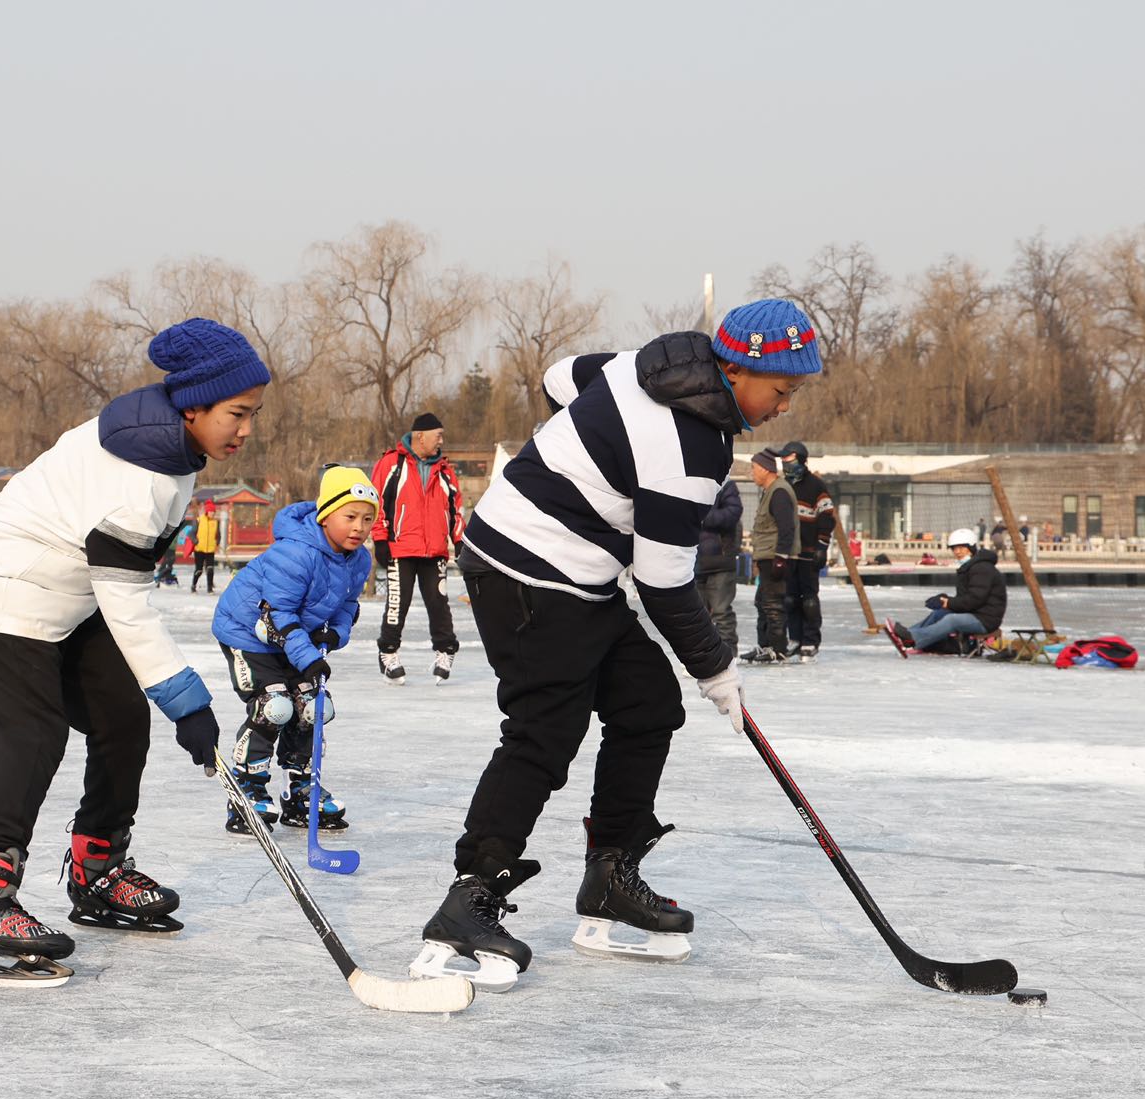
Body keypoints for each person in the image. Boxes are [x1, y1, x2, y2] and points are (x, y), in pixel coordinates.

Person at [415, 299, 821, 993]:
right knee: (544, 734)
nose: (784, 407)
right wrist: (718, 669)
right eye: (780, 390)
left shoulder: (643, 367)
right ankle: (470, 898)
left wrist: (585, 458)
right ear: (737, 368)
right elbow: (665, 583)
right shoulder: (692, 449)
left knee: (647, 704)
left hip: (579, 573)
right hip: (527, 571)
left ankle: (610, 874)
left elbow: (559, 376)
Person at [0, 317, 266, 986]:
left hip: (69, 594)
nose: (247, 429)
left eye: (252, 414)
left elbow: (120, 598)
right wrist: (189, 702)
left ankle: (97, 867)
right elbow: (130, 607)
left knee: (119, 716)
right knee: (34, 732)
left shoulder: (172, 450)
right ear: (194, 404)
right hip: (6, 588)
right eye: (238, 413)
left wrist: (170, 701)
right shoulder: (140, 478)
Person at [211, 466, 376, 836]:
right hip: (249, 633)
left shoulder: (360, 560)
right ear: (325, 515)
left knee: (314, 707)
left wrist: (335, 636)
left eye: (367, 519)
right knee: (275, 707)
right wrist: (310, 658)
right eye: (349, 517)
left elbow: (347, 606)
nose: (359, 527)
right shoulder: (297, 552)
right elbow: (279, 615)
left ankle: (302, 787)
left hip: (293, 637)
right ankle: (247, 786)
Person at [370, 411, 462, 684]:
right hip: (400, 547)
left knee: (439, 603)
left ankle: (446, 650)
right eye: (438, 435)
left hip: (434, 550)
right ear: (420, 436)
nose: (441, 441)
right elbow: (376, 503)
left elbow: (456, 509)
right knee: (398, 603)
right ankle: (388, 652)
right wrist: (380, 538)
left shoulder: (445, 471)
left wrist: (458, 540)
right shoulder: (392, 464)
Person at [886, 528, 1007, 654]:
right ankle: (907, 635)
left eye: (962, 548)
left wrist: (947, 602)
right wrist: (944, 599)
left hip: (986, 619)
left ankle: (913, 638)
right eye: (954, 548)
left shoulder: (982, 569)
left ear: (971, 548)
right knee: (939, 613)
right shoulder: (970, 567)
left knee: (952, 620)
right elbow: (966, 598)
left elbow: (974, 599)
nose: (957, 552)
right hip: (974, 613)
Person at [777, 441, 834, 661]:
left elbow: (827, 517)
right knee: (790, 598)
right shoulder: (783, 486)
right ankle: (795, 638)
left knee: (809, 599)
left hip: (809, 551)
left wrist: (822, 546)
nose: (786, 465)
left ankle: (811, 640)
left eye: (789, 461)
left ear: (801, 460)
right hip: (790, 552)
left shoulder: (816, 486)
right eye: (783, 462)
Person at [742, 449, 799, 664]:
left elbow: (786, 528)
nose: (752, 473)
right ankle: (765, 645)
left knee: (773, 604)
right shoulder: (771, 490)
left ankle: (778, 648)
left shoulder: (780, 492)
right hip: (768, 556)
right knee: (763, 602)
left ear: (766, 469)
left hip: (776, 557)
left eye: (754, 468)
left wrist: (780, 558)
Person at [696, 479, 743, 652]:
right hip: (692, 560)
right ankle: (700, 653)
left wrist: (701, 516)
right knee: (696, 613)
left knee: (721, 611)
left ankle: (729, 651)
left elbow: (733, 512)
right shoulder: (688, 483)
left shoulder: (726, 485)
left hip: (720, 560)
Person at [190, 498, 220, 593]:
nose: (213, 514)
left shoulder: (215, 522)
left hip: (210, 549)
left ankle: (210, 589)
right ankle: (193, 586)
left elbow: (218, 535)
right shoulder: (199, 520)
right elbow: (191, 534)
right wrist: (195, 541)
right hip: (199, 549)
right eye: (211, 512)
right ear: (207, 511)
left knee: (210, 569)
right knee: (199, 570)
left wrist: (217, 542)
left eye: (214, 512)